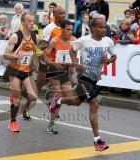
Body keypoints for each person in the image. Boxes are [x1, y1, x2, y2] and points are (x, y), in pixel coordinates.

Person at [48, 17, 116, 151]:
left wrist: (108, 60)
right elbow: (72, 50)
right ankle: (97, 140)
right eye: (100, 27)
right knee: (94, 103)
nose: (104, 29)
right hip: (84, 77)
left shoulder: (108, 41)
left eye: (105, 27)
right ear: (92, 28)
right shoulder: (83, 40)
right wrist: (75, 63)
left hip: (94, 79)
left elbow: (114, 56)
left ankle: (58, 100)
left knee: (76, 101)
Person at [21, 6, 65, 120]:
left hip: (60, 64)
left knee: (59, 89)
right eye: (61, 13)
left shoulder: (65, 28)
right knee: (38, 87)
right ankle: (27, 108)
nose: (63, 15)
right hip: (47, 63)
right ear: (54, 15)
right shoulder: (49, 28)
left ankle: (51, 105)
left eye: (64, 13)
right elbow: (41, 45)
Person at [4, 11, 39, 132]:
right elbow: (6, 55)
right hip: (14, 70)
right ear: (23, 22)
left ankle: (16, 96)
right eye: (29, 21)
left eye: (33, 21)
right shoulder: (15, 36)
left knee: (33, 97)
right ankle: (12, 122)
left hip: (27, 71)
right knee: (17, 99)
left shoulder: (35, 37)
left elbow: (33, 52)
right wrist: (15, 56)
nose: (32, 23)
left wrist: (34, 63)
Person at [44, 20, 76, 134]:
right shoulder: (54, 41)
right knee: (58, 96)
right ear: (62, 29)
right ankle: (51, 125)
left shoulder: (74, 41)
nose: (70, 32)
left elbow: (75, 56)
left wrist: (73, 66)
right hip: (54, 71)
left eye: (72, 29)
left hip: (65, 72)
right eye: (68, 29)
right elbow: (46, 58)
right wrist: (54, 63)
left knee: (68, 98)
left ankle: (50, 100)